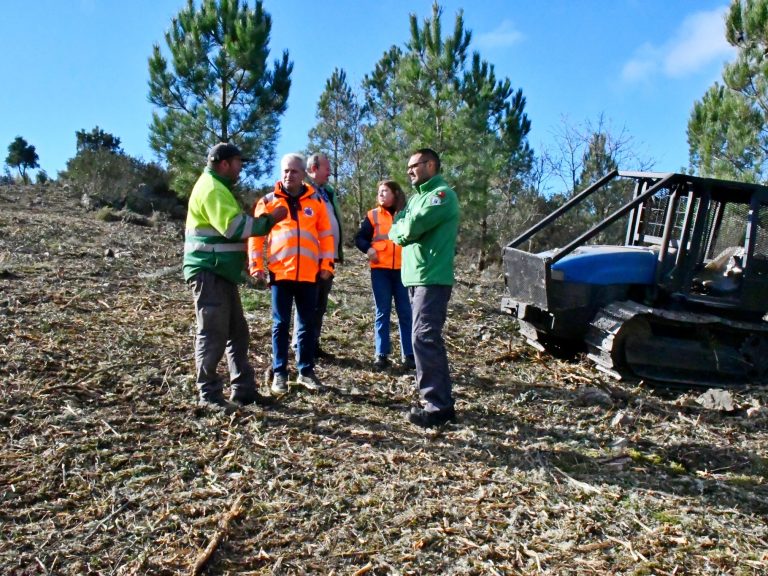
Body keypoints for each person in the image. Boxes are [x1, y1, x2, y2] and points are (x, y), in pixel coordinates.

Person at [184, 142, 288, 413]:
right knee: (213, 332)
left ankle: (243, 390)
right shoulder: (212, 189)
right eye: (238, 162)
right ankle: (208, 394)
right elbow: (234, 227)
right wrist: (269, 220)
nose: (241, 168)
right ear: (224, 163)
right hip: (209, 271)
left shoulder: (218, 188)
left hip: (220, 272)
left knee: (237, 333)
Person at [248, 153, 334, 394]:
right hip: (280, 274)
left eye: (294, 171)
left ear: (303, 174)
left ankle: (306, 372)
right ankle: (279, 373)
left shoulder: (315, 201)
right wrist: (256, 266)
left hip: (309, 275)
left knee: (306, 324)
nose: (288, 175)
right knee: (280, 324)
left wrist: (327, 265)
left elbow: (326, 236)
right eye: (285, 171)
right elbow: (256, 237)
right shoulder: (268, 201)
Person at [389, 148, 460, 427]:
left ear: (431, 165)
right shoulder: (418, 198)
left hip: (432, 278)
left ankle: (438, 407)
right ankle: (437, 401)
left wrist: (402, 227)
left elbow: (409, 229)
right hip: (416, 278)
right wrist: (401, 227)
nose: (409, 171)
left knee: (425, 338)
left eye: (414, 165)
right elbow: (397, 227)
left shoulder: (441, 196)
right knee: (422, 338)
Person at [354, 180, 415, 371]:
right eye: (379, 191)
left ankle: (410, 355)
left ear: (395, 193)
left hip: (404, 270)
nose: (381, 194)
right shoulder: (372, 215)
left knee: (406, 312)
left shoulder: (406, 214)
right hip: (380, 269)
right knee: (383, 311)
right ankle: (381, 355)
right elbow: (359, 238)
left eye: (385, 191)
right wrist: (368, 249)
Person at [297, 153, 344, 360]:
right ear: (314, 168)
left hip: (328, 257)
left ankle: (313, 343)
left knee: (320, 304)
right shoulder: (303, 191)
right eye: (327, 167)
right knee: (307, 303)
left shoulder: (327, 192)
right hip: (311, 258)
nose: (330, 171)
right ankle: (301, 346)